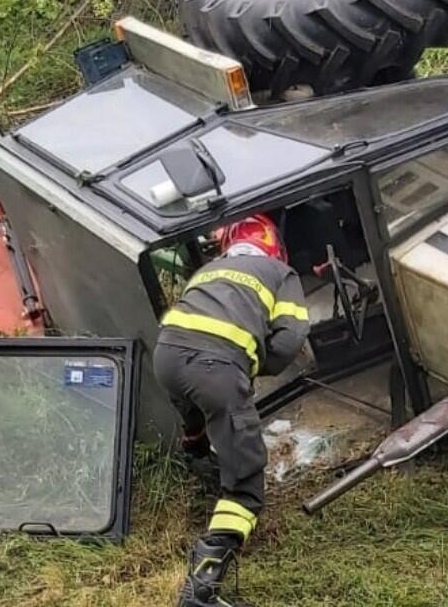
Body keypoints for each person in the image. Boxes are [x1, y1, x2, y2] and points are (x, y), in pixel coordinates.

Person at [154, 213, 310, 607]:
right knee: (246, 484)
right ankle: (203, 586)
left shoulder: (208, 270)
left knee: (200, 417)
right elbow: (291, 338)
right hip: (217, 369)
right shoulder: (280, 272)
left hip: (168, 357)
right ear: (275, 246)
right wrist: (257, 365)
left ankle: (198, 458)